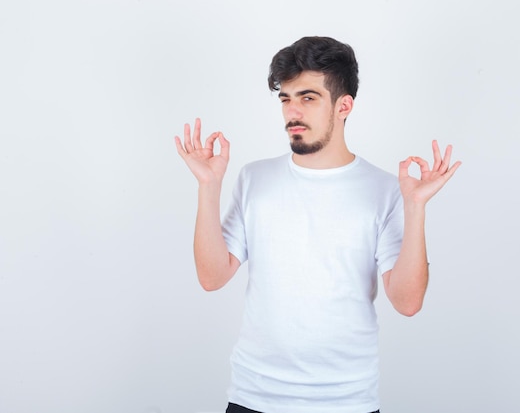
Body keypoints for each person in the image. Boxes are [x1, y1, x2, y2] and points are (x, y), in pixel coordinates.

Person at [174, 36, 461, 413]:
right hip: (254, 396)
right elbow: (212, 277)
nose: (293, 112)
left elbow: (407, 302)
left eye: (307, 98)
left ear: (344, 106)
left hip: (346, 401)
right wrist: (208, 186)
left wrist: (417, 207)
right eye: (286, 98)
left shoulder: (386, 189)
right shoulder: (254, 178)